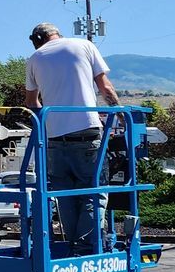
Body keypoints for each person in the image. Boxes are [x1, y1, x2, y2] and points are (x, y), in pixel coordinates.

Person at [23, 22, 120, 256]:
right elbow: (105, 88)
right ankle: (86, 250)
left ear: (38, 40)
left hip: (55, 138)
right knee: (93, 193)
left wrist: (46, 122)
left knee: (64, 196)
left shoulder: (34, 59)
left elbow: (31, 103)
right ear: (56, 34)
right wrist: (119, 116)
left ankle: (73, 249)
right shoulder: (83, 45)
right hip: (87, 131)